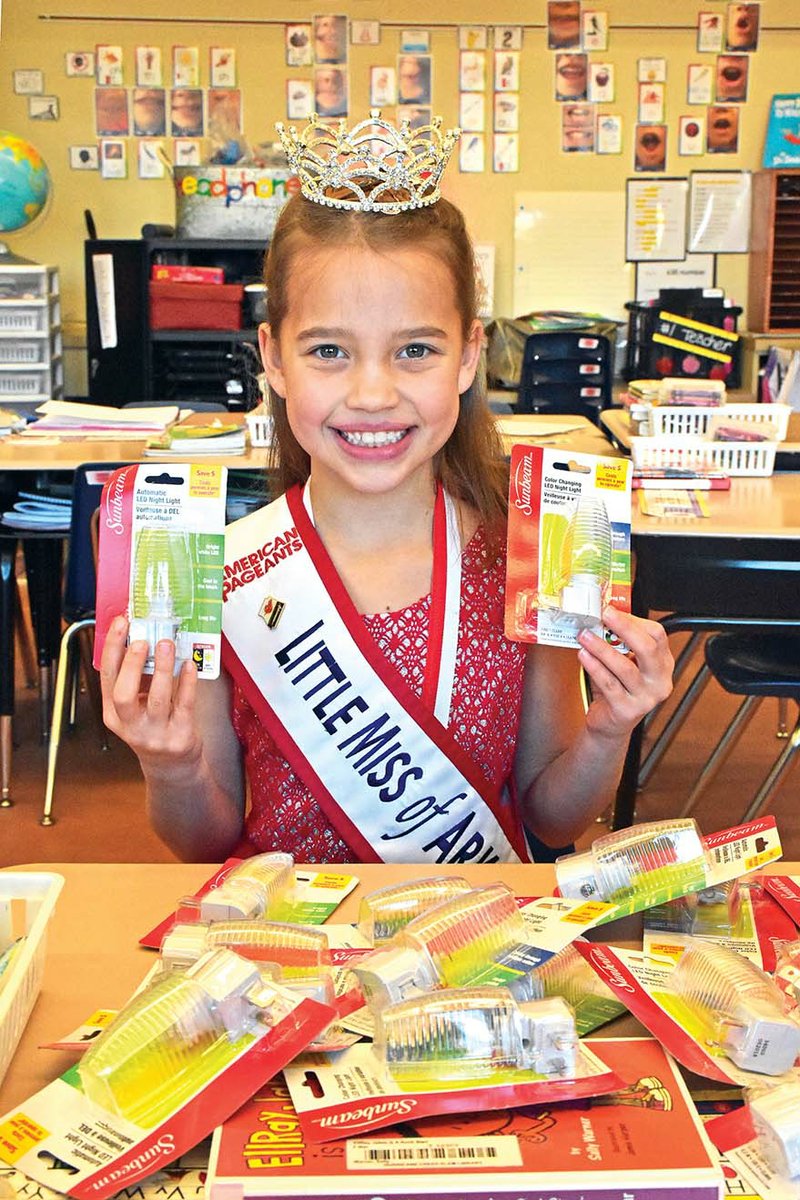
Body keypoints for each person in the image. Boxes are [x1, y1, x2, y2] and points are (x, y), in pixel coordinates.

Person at [100, 112, 673, 865]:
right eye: (330, 350)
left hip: (473, 959)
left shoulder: (528, 561)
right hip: (294, 963)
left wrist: (608, 731)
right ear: (273, 359)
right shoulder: (220, 572)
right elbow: (203, 840)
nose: (373, 395)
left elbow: (552, 815)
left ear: (468, 355)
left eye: (415, 350)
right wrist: (170, 766)